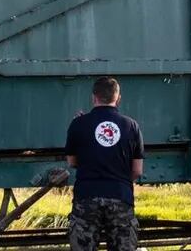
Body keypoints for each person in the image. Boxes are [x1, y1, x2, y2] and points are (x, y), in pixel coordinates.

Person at [65, 76, 144, 251]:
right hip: (120, 196)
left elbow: (71, 162)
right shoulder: (132, 126)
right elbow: (137, 170)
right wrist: (120, 180)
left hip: (86, 196)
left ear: (94, 97)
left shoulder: (78, 124)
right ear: (118, 98)